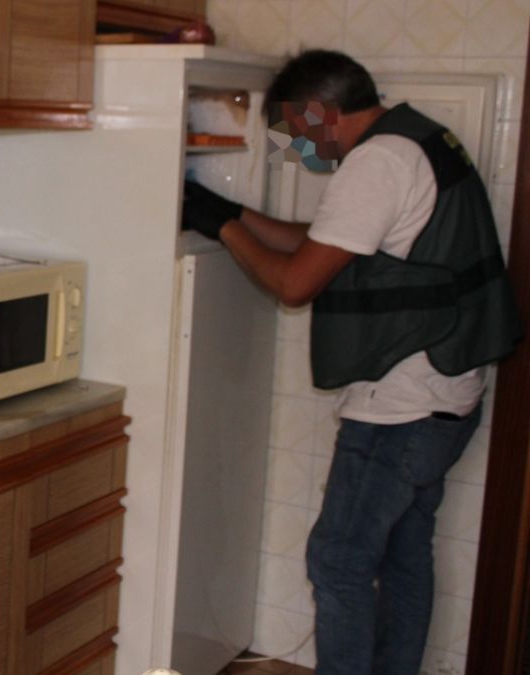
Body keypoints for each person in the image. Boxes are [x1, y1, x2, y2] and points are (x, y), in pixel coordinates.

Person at [182, 50, 521, 674]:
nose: (291, 147)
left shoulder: (378, 162)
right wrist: (227, 213)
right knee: (403, 554)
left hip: (404, 405)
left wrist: (224, 231)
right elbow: (325, 241)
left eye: (292, 130)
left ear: (322, 114)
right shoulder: (417, 137)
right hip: (447, 393)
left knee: (338, 559)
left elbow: (295, 283)